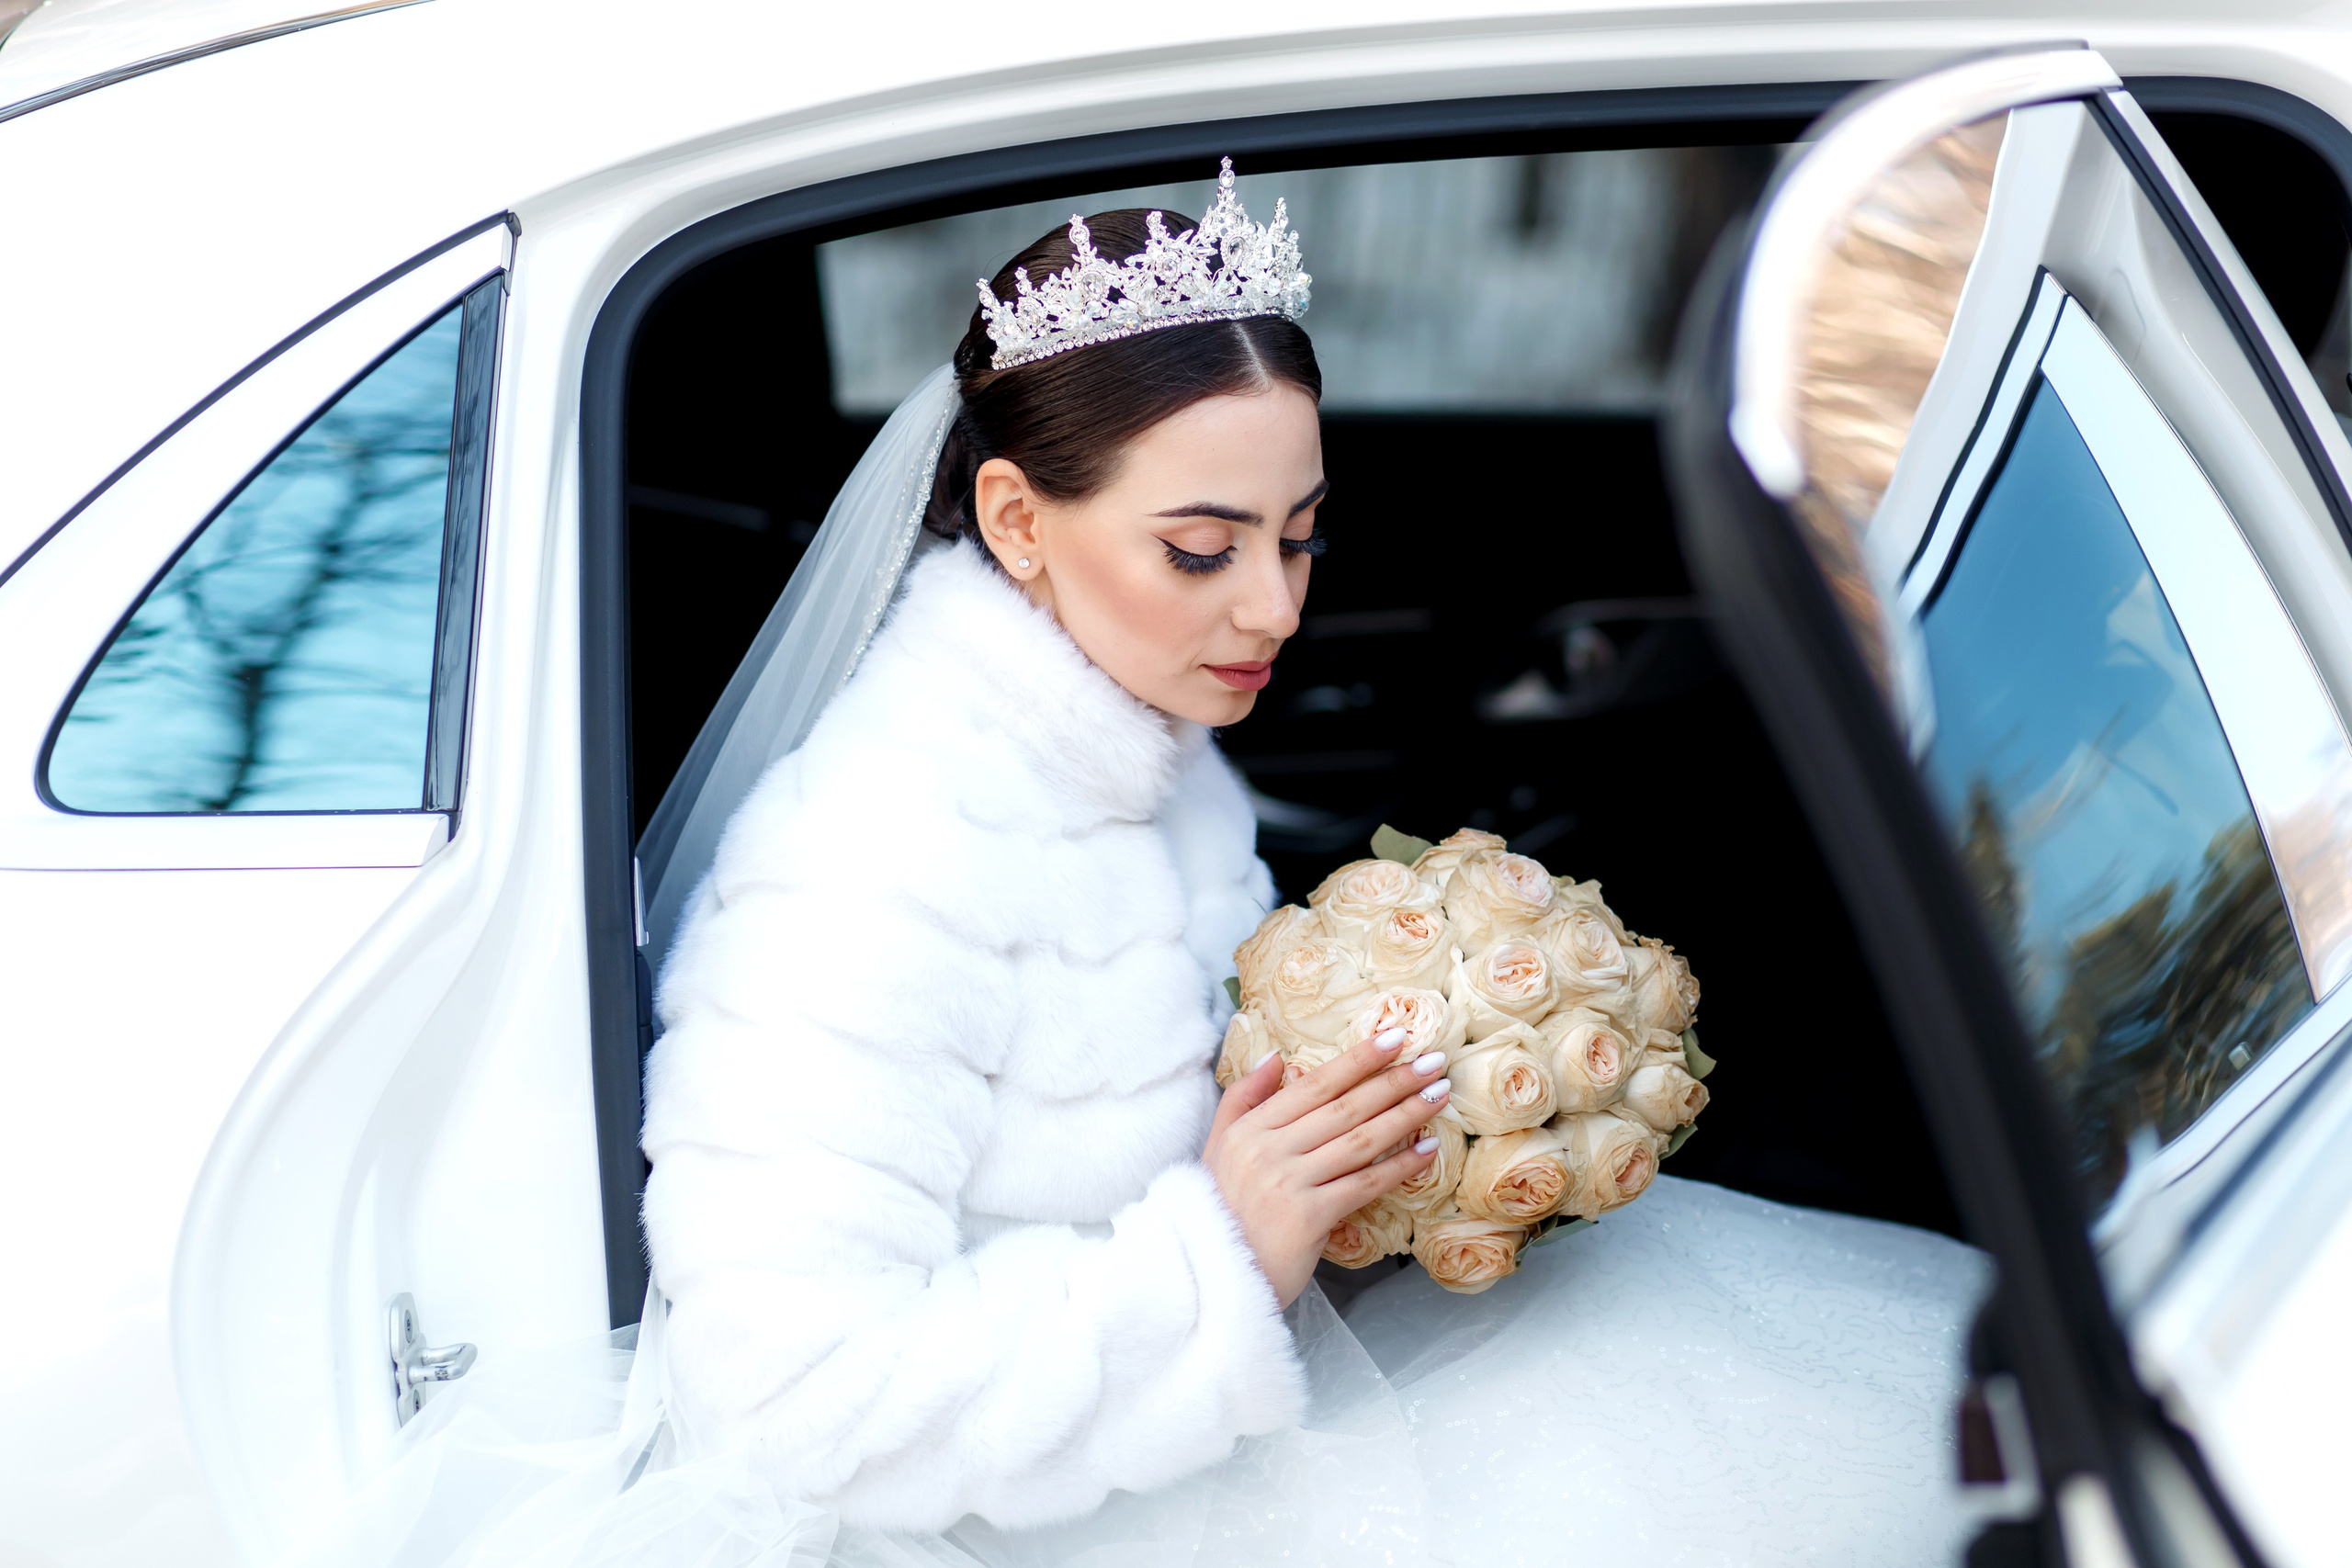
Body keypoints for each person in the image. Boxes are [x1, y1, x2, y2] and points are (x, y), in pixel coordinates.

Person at [326, 163, 1989, 1568]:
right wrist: (1220, 1253)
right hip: (1049, 1509)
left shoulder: (1140, 752)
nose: (1274, 607)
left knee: (1892, 1356)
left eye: (1300, 535)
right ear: (1018, 520)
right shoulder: (870, 874)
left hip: (1230, 1379)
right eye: (1201, 549)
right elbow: (792, 1397)